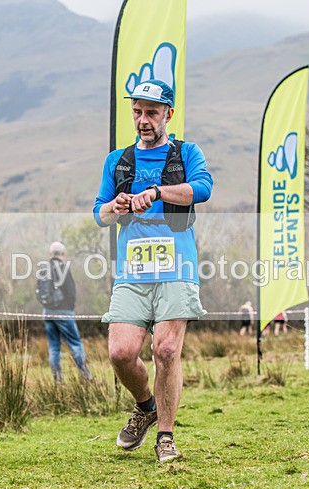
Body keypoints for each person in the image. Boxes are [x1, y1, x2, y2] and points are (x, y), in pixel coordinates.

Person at [93, 79, 213, 462]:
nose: (143, 120)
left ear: (168, 115)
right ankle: (146, 407)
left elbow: (203, 188)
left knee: (165, 349)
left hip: (177, 264)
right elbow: (100, 214)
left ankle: (165, 435)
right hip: (133, 269)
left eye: (151, 113)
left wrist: (159, 192)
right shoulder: (118, 160)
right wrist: (118, 205)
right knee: (121, 352)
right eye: (137, 112)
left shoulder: (186, 153)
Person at [39, 242, 92, 383]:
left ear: (51, 254)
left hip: (47, 312)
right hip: (64, 312)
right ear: (62, 254)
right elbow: (71, 291)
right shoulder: (63, 268)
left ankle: (58, 380)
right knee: (75, 344)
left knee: (53, 347)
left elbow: (38, 292)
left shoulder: (44, 269)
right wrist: (69, 308)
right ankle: (86, 377)